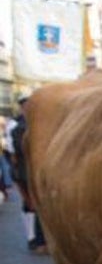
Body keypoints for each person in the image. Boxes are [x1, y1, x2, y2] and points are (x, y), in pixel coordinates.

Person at [10, 94, 48, 253]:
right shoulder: (17, 128)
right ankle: (33, 239)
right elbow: (13, 156)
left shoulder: (38, 126)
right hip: (25, 172)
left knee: (37, 206)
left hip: (35, 170)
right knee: (29, 204)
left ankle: (38, 239)